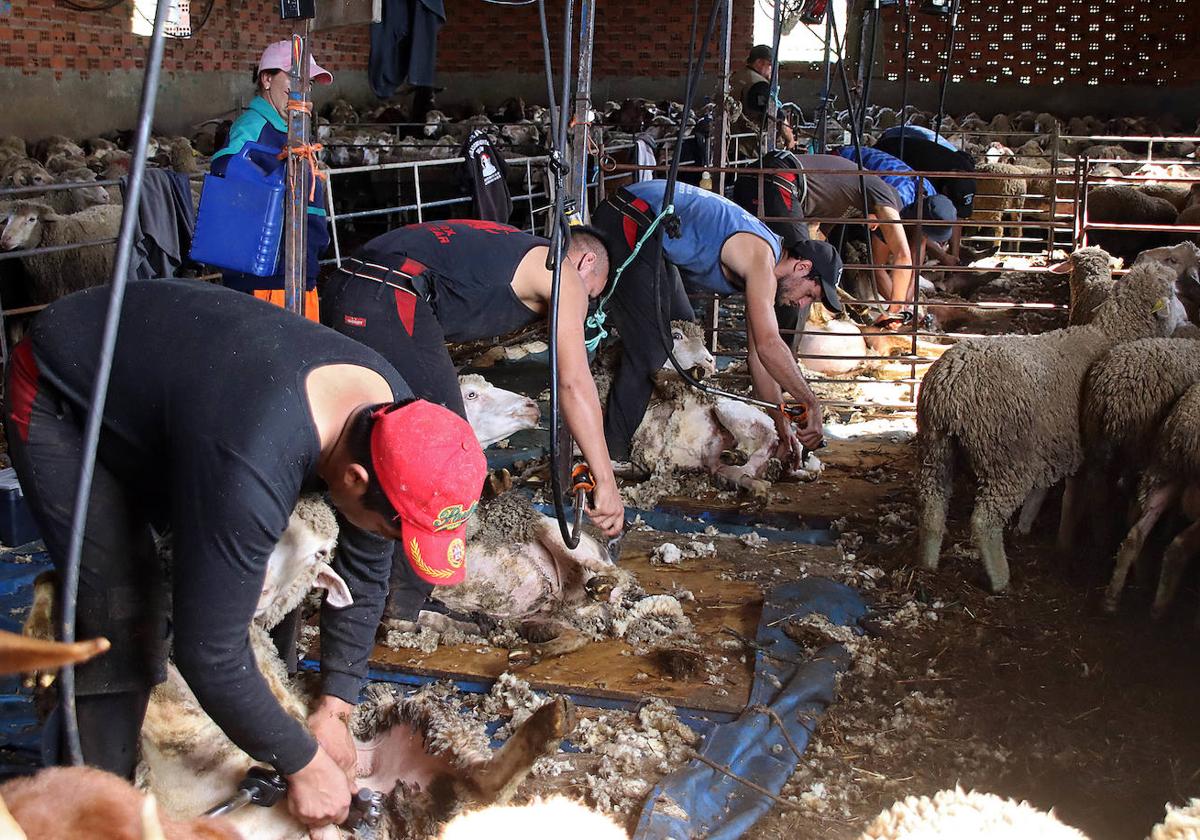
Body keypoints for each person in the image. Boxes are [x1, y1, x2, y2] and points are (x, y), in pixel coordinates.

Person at [4, 279, 486, 831]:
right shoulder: (253, 460)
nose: (390, 538)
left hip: (194, 392)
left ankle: (262, 723)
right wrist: (304, 763)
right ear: (354, 478)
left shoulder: (396, 420)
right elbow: (207, 647)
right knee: (122, 598)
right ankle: (97, 803)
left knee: (251, 575)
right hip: (62, 389)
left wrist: (335, 705)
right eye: (393, 525)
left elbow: (368, 558)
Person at [319, 219, 624, 621]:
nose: (585, 304)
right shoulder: (564, 274)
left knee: (379, 438)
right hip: (390, 294)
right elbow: (573, 384)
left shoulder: (510, 250)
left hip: (348, 282)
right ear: (586, 262)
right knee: (442, 449)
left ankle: (359, 583)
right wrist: (606, 479)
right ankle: (403, 604)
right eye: (592, 292)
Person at [589, 179, 844, 462]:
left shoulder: (764, 268)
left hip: (651, 231)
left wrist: (782, 425)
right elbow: (770, 345)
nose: (803, 304)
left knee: (682, 328)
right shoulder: (762, 258)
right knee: (650, 350)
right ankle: (610, 455)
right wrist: (811, 403)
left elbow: (759, 358)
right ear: (802, 266)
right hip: (630, 216)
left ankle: (648, 422)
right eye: (810, 294)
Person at [209, 40, 334, 321]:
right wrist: (280, 170)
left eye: (309, 82)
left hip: (297, 272)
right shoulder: (254, 127)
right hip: (268, 279)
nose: (303, 89)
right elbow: (225, 170)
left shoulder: (288, 132)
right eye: (293, 78)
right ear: (267, 79)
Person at [731, 153, 913, 329]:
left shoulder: (847, 200)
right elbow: (903, 255)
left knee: (775, 263)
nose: (873, 229)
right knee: (802, 271)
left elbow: (818, 240)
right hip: (780, 180)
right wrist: (895, 309)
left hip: (755, 178)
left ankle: (763, 337)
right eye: (878, 224)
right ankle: (785, 350)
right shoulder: (881, 192)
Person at [836, 144, 959, 274]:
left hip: (867, 167)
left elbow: (921, 237)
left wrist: (942, 256)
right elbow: (877, 267)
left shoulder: (932, 197)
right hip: (840, 162)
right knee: (848, 230)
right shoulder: (896, 201)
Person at [872, 133, 976, 221]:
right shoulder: (929, 179)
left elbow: (956, 217)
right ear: (945, 191)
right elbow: (920, 216)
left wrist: (954, 245)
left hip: (905, 150)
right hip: (887, 155)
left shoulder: (968, 171)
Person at [729, 44, 795, 156]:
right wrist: (790, 140)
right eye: (770, 65)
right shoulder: (758, 84)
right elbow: (775, 115)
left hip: (730, 140)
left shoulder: (737, 76)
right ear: (759, 63)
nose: (772, 70)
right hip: (749, 146)